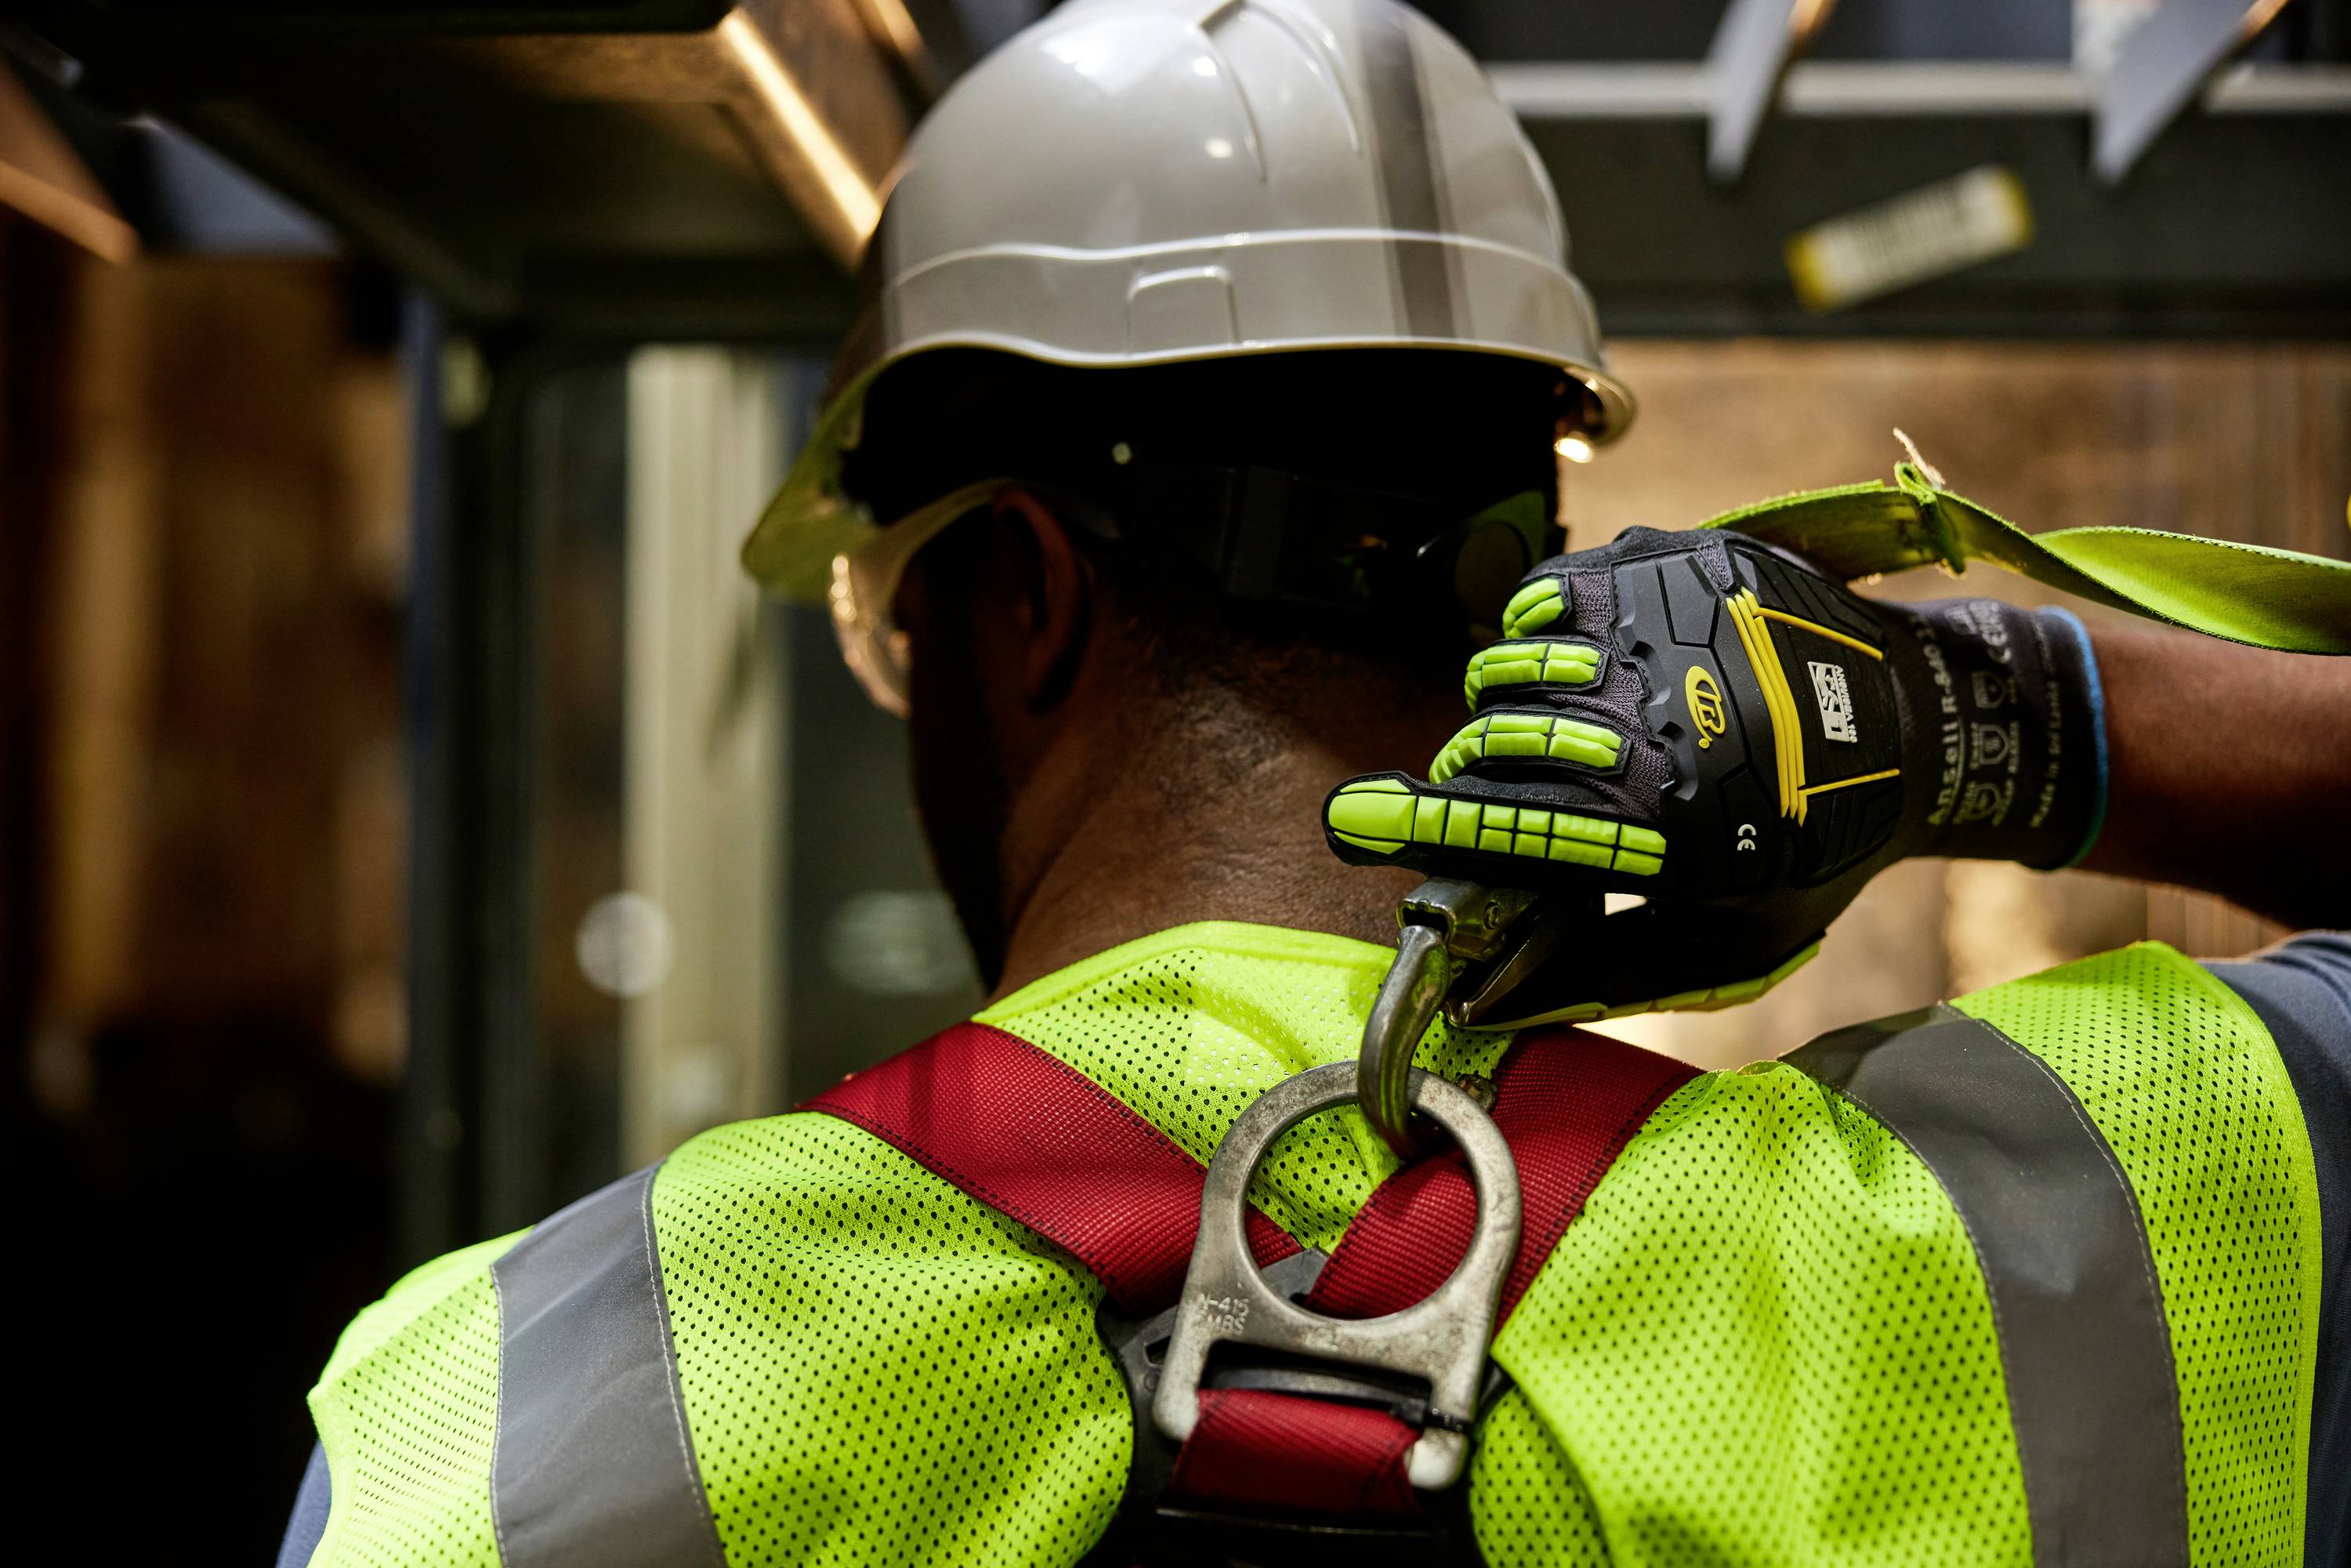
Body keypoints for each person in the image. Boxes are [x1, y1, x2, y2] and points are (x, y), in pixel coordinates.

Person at [280, 1, 2349, 1563]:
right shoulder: (2067, 1245)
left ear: (1017, 600)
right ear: (1519, 571)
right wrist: (2014, 717)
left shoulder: (494, 1399)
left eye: (895, 620)